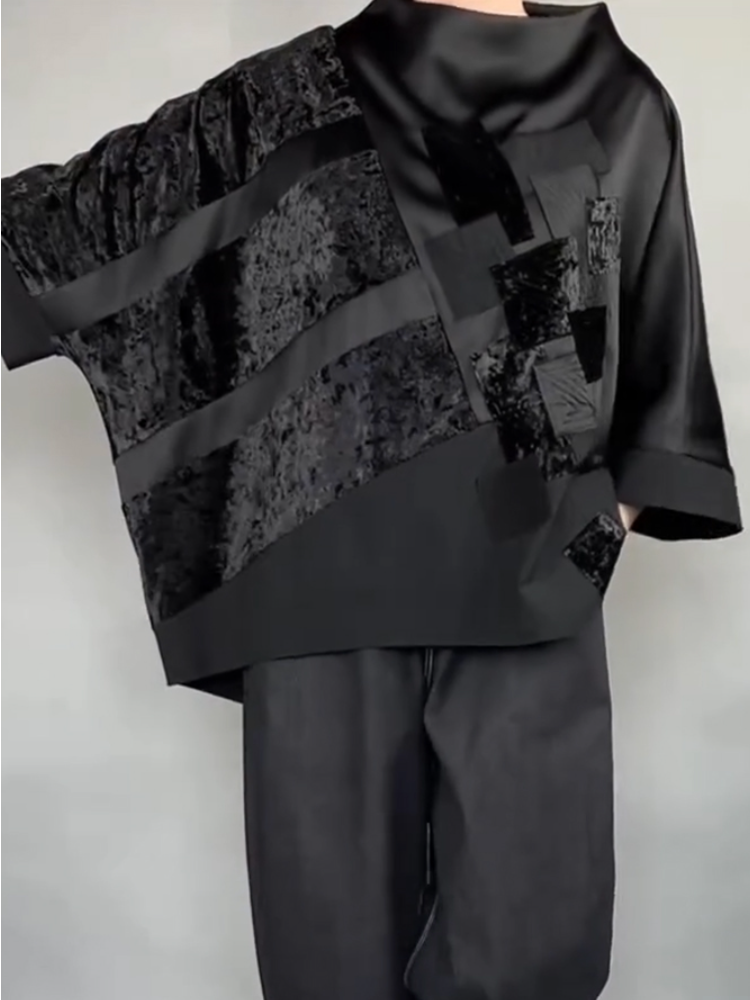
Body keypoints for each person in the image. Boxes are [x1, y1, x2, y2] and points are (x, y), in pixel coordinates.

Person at [2, 2, 741, 998]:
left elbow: (640, 359)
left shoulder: (619, 100)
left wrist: (586, 534)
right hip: (318, 597)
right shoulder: (285, 98)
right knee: (329, 968)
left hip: (529, 578)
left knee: (537, 952)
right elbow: (71, 226)